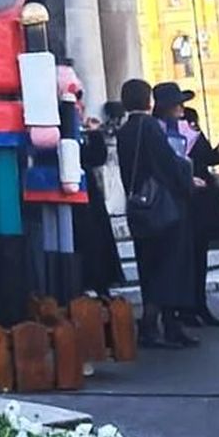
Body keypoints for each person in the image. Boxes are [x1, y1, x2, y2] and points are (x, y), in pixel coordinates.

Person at [117, 77, 196, 349]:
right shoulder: (150, 126)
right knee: (168, 267)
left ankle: (160, 326)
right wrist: (189, 179)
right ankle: (157, 326)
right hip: (162, 207)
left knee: (148, 266)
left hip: (139, 206)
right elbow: (168, 164)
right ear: (148, 100)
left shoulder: (124, 131)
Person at [166, 97, 219, 327]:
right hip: (188, 199)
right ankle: (187, 307)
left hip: (200, 200)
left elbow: (207, 158)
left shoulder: (191, 131)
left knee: (198, 256)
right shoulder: (167, 131)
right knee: (189, 258)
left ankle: (197, 304)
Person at [76, 112, 124, 298]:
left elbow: (97, 157)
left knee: (96, 239)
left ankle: (100, 285)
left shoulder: (80, 133)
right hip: (79, 194)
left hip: (88, 194)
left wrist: (94, 134)